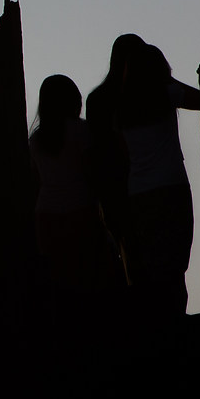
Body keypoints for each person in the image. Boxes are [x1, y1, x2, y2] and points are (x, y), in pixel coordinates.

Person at [86, 34, 200, 316]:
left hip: (127, 193)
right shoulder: (163, 91)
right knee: (173, 265)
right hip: (169, 187)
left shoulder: (106, 103)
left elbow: (104, 154)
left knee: (138, 267)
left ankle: (147, 326)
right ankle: (172, 320)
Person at [30, 73, 123, 292]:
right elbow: (92, 171)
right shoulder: (81, 131)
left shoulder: (36, 140)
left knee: (58, 281)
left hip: (46, 217)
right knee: (86, 278)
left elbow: (35, 181)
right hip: (81, 211)